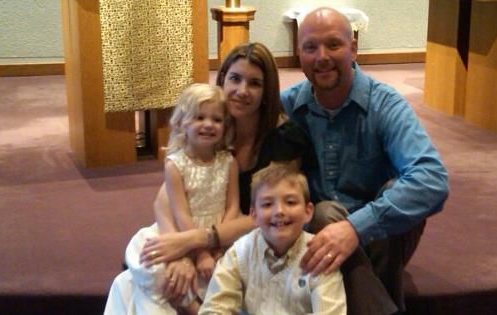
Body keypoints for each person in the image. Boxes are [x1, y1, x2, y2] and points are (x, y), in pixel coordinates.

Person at [106, 43, 313, 314]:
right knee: (131, 280)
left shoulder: (283, 139)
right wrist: (179, 252)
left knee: (143, 286)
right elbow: (165, 199)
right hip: (195, 232)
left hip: (248, 237)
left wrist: (199, 242)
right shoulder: (211, 128)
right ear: (222, 78)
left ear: (267, 91)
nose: (242, 91)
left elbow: (271, 214)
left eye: (254, 83)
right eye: (235, 78)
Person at [280, 7, 450, 315]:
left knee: (395, 193)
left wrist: (356, 228)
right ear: (299, 54)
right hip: (319, 239)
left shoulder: (385, 103)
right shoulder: (287, 107)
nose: (322, 57)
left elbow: (431, 179)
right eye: (310, 47)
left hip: (382, 241)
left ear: (353, 48)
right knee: (321, 213)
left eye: (333, 44)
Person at [105, 83, 240, 315]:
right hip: (181, 232)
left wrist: (218, 247)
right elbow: (180, 213)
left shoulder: (228, 162)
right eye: (199, 117)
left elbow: (233, 206)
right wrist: (200, 253)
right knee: (151, 265)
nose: (208, 124)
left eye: (216, 119)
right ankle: (190, 306)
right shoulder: (175, 165)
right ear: (182, 123)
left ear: (225, 125)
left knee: (232, 270)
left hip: (218, 235)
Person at [199, 163, 346, 315]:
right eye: (267, 204)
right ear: (254, 215)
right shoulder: (238, 254)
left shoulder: (320, 256)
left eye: (290, 202)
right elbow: (214, 309)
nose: (279, 211)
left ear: (307, 212)